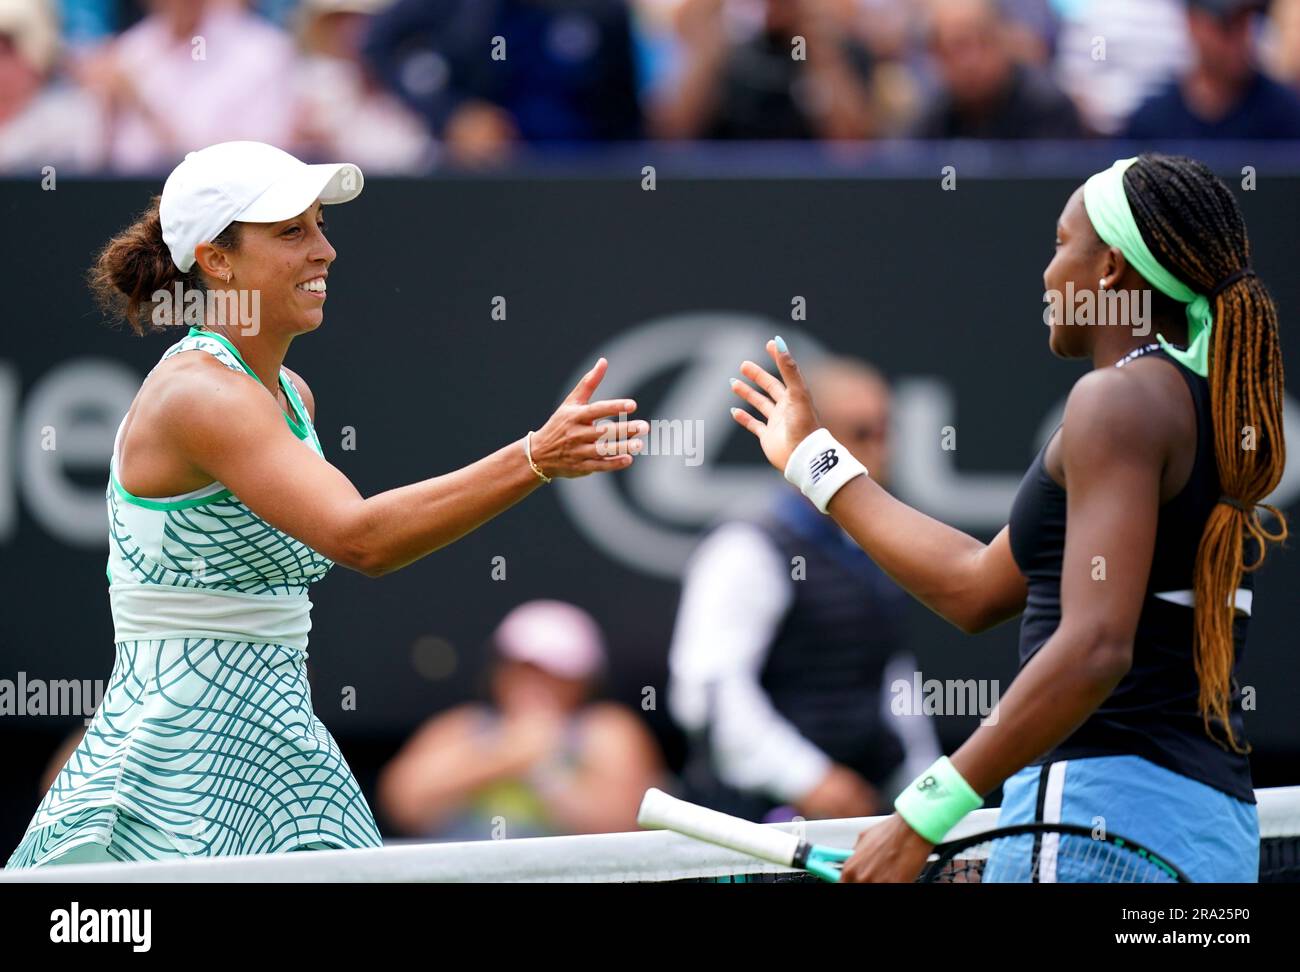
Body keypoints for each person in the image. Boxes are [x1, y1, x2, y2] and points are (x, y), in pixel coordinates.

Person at [4, 140, 648, 868]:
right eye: (292, 232)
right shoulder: (200, 396)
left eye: (320, 226)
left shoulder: (289, 396)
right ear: (217, 260)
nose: (325, 251)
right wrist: (534, 458)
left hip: (282, 753)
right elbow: (360, 538)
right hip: (174, 764)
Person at [729, 152, 1286, 882]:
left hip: (1096, 823)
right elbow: (975, 587)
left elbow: (1094, 646)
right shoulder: (1199, 408)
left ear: (1112, 271)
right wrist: (814, 460)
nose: (1048, 275)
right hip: (1209, 830)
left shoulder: (1114, 402)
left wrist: (921, 815)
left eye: (1061, 246)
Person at [669, 357, 940, 824]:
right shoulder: (746, 547)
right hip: (754, 828)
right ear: (816, 441)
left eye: (886, 430)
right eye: (861, 432)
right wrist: (808, 778)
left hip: (862, 822)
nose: (881, 449)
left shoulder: (875, 548)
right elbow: (705, 693)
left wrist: (927, 800)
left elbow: (894, 682)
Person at [378, 601, 664, 840]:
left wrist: (546, 770)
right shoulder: (459, 726)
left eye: (555, 671)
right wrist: (505, 756)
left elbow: (629, 822)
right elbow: (402, 803)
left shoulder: (608, 730)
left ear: (584, 681)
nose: (536, 683)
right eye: (524, 668)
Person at [1124, 0, 1300, 139]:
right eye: (1228, 23)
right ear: (1192, 22)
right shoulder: (1151, 124)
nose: (1242, 36)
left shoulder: (1287, 116)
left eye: (1248, 21)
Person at [909, 0, 1084, 140]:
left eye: (984, 41)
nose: (972, 61)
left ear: (1005, 39)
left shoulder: (1050, 109)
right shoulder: (931, 122)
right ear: (935, 55)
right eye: (959, 46)